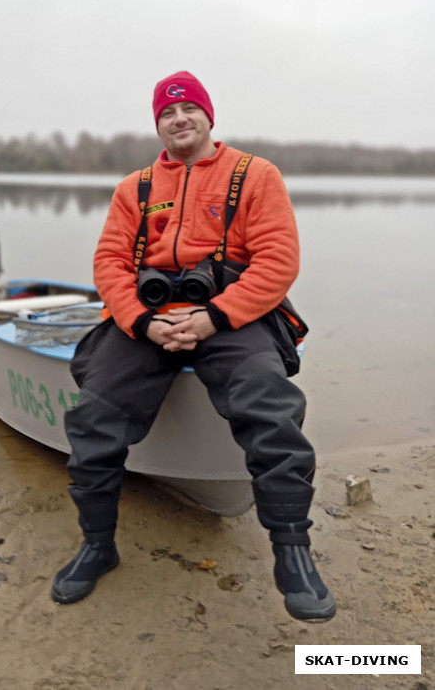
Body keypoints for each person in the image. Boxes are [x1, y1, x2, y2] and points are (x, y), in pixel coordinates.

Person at [51, 71, 336, 622]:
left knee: (268, 404)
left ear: (209, 116)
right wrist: (141, 321)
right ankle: (97, 544)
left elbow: (278, 261)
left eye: (188, 111)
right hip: (150, 318)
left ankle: (292, 550)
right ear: (157, 125)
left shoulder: (256, 176)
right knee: (94, 415)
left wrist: (214, 317)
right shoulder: (133, 188)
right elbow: (109, 263)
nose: (178, 120)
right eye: (166, 114)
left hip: (232, 314)